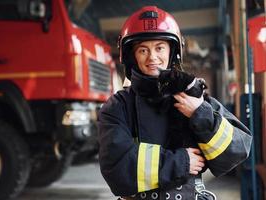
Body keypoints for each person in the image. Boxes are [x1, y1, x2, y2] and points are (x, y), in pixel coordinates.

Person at [97, 6, 252, 200]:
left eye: (159, 48)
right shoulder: (117, 107)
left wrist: (200, 114)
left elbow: (239, 149)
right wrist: (181, 162)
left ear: (172, 52)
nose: (152, 57)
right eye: (143, 50)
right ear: (131, 57)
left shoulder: (193, 98)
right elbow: (117, 170)